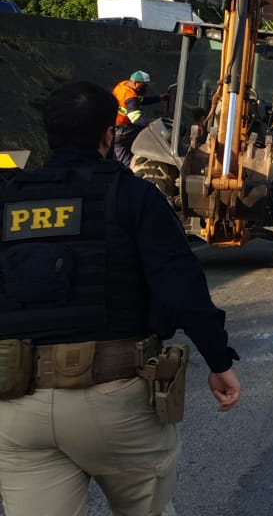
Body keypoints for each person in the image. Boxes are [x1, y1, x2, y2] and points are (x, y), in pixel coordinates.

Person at [0, 81, 241, 516]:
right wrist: (219, 361)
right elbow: (182, 289)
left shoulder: (9, 199)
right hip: (113, 400)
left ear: (48, 134)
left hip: (16, 408)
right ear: (108, 135)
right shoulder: (132, 195)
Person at [111, 70, 168, 167]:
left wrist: (159, 98)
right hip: (124, 130)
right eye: (144, 86)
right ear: (135, 83)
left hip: (114, 129)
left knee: (122, 158)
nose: (146, 89)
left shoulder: (123, 85)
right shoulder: (130, 97)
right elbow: (137, 120)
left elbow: (140, 100)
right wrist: (157, 122)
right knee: (151, 134)